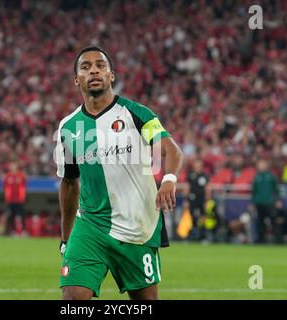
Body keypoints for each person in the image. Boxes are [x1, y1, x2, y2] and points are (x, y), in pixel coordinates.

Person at [55, 46, 184, 300]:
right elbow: (69, 182)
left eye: (100, 66)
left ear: (111, 75)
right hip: (90, 225)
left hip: (137, 226)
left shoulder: (137, 114)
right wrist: (66, 237)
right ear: (76, 79)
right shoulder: (68, 127)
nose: (94, 70)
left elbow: (172, 151)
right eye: (86, 67)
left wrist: (169, 180)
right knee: (72, 298)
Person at [251, 159, 282, 244]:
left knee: (274, 221)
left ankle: (278, 240)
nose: (261, 166)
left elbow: (276, 189)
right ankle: (261, 240)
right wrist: (252, 203)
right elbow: (254, 191)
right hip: (259, 203)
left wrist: (278, 200)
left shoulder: (271, 176)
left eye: (263, 164)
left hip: (270, 202)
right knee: (260, 222)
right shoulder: (256, 177)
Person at [184, 159, 211, 241]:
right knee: (191, 217)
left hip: (201, 200)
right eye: (196, 166)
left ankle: (203, 236)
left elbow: (208, 189)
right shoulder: (191, 175)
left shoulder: (205, 176)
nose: (197, 168)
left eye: (198, 166)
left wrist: (207, 201)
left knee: (203, 217)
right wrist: (186, 200)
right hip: (192, 199)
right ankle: (191, 236)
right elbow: (187, 188)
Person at [2, 161, 27, 236]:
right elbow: (6, 189)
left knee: (22, 215)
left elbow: (23, 188)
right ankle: (12, 231)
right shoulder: (7, 176)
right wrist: (7, 199)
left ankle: (23, 231)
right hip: (11, 201)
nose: (12, 167)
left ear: (16, 167)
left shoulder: (21, 176)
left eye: (14, 166)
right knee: (11, 216)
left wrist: (22, 198)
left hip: (20, 200)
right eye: (11, 166)